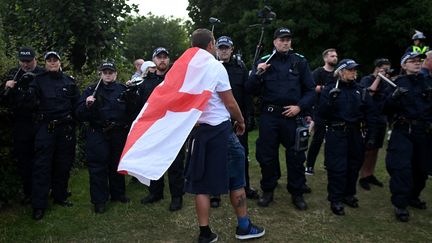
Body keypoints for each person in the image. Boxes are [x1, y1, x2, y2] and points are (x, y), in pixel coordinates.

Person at [185, 28, 264, 242]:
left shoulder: (186, 69)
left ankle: (205, 233)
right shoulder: (216, 67)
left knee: (202, 185)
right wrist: (241, 120)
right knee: (237, 180)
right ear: (211, 45)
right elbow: (229, 101)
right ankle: (244, 227)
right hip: (220, 131)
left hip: (199, 132)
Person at [246, 27, 315, 209]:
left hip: (292, 116)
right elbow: (250, 89)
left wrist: (299, 107)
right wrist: (257, 73)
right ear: (274, 42)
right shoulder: (264, 61)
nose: (285, 42)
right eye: (281, 39)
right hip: (269, 116)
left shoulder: (299, 61)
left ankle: (297, 192)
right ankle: (268, 190)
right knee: (267, 156)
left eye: (288, 39)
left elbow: (310, 90)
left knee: (296, 156)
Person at [76, 62, 134, 213]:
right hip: (98, 133)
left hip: (118, 133)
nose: (108, 74)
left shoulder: (123, 90)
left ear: (116, 74)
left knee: (117, 165)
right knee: (97, 167)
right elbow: (79, 113)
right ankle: (99, 200)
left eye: (111, 72)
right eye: (105, 72)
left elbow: (132, 110)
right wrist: (87, 105)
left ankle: (118, 194)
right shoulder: (91, 90)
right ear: (100, 73)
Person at [28, 51, 80, 220]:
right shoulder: (38, 81)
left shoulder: (69, 81)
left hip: (65, 129)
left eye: (54, 60)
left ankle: (60, 196)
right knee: (42, 166)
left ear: (59, 62)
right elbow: (30, 104)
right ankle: (39, 205)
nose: (52, 63)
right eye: (49, 61)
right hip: (46, 128)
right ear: (45, 63)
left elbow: (77, 105)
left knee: (63, 165)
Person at [318, 59, 372, 216]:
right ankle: (335, 199)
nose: (354, 72)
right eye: (350, 70)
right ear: (340, 72)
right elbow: (321, 114)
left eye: (355, 70)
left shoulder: (360, 90)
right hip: (336, 132)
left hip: (355, 132)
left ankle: (349, 194)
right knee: (337, 167)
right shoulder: (330, 89)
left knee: (354, 165)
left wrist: (371, 134)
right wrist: (330, 101)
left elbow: (369, 111)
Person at [209, 36, 258, 208]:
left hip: (236, 119)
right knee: (216, 156)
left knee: (241, 154)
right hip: (216, 119)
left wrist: (248, 116)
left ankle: (244, 186)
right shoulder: (210, 68)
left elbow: (246, 95)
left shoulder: (240, 68)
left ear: (232, 49)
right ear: (216, 49)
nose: (223, 50)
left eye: (226, 48)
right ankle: (215, 192)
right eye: (220, 47)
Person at [383, 52, 432, 222]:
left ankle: (413, 196)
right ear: (404, 65)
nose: (417, 63)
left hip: (423, 132)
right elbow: (384, 108)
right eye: (412, 61)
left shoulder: (427, 83)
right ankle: (400, 204)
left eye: (419, 61)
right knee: (401, 169)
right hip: (403, 131)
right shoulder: (396, 83)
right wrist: (394, 98)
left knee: (422, 168)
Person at [139, 47, 185, 212]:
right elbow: (141, 108)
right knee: (154, 162)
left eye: (165, 57)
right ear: (154, 60)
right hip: (154, 129)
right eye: (159, 57)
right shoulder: (146, 83)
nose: (162, 60)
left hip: (174, 129)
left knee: (176, 164)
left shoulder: (177, 80)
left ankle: (177, 197)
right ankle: (155, 193)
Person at [0, 47, 45, 204]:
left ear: (35, 59)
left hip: (39, 122)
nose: (25, 64)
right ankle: (28, 193)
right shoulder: (13, 73)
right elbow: (3, 101)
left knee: (41, 160)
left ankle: (43, 192)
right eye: (23, 61)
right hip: (21, 123)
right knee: (24, 160)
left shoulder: (42, 73)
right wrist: (6, 87)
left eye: (29, 61)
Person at [357, 58, 392, 190]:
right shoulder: (367, 79)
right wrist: (378, 78)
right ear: (377, 68)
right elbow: (368, 94)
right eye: (384, 69)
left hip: (381, 119)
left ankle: (369, 174)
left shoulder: (386, 83)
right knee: (367, 149)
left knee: (375, 149)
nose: (387, 72)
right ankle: (362, 176)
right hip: (368, 120)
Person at [305, 48, 338, 175]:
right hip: (320, 109)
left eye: (336, 56)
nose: (335, 58)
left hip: (334, 110)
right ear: (325, 58)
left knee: (332, 139)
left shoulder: (338, 73)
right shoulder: (318, 72)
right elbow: (312, 88)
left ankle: (328, 164)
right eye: (332, 56)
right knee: (317, 139)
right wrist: (326, 88)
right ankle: (309, 165)